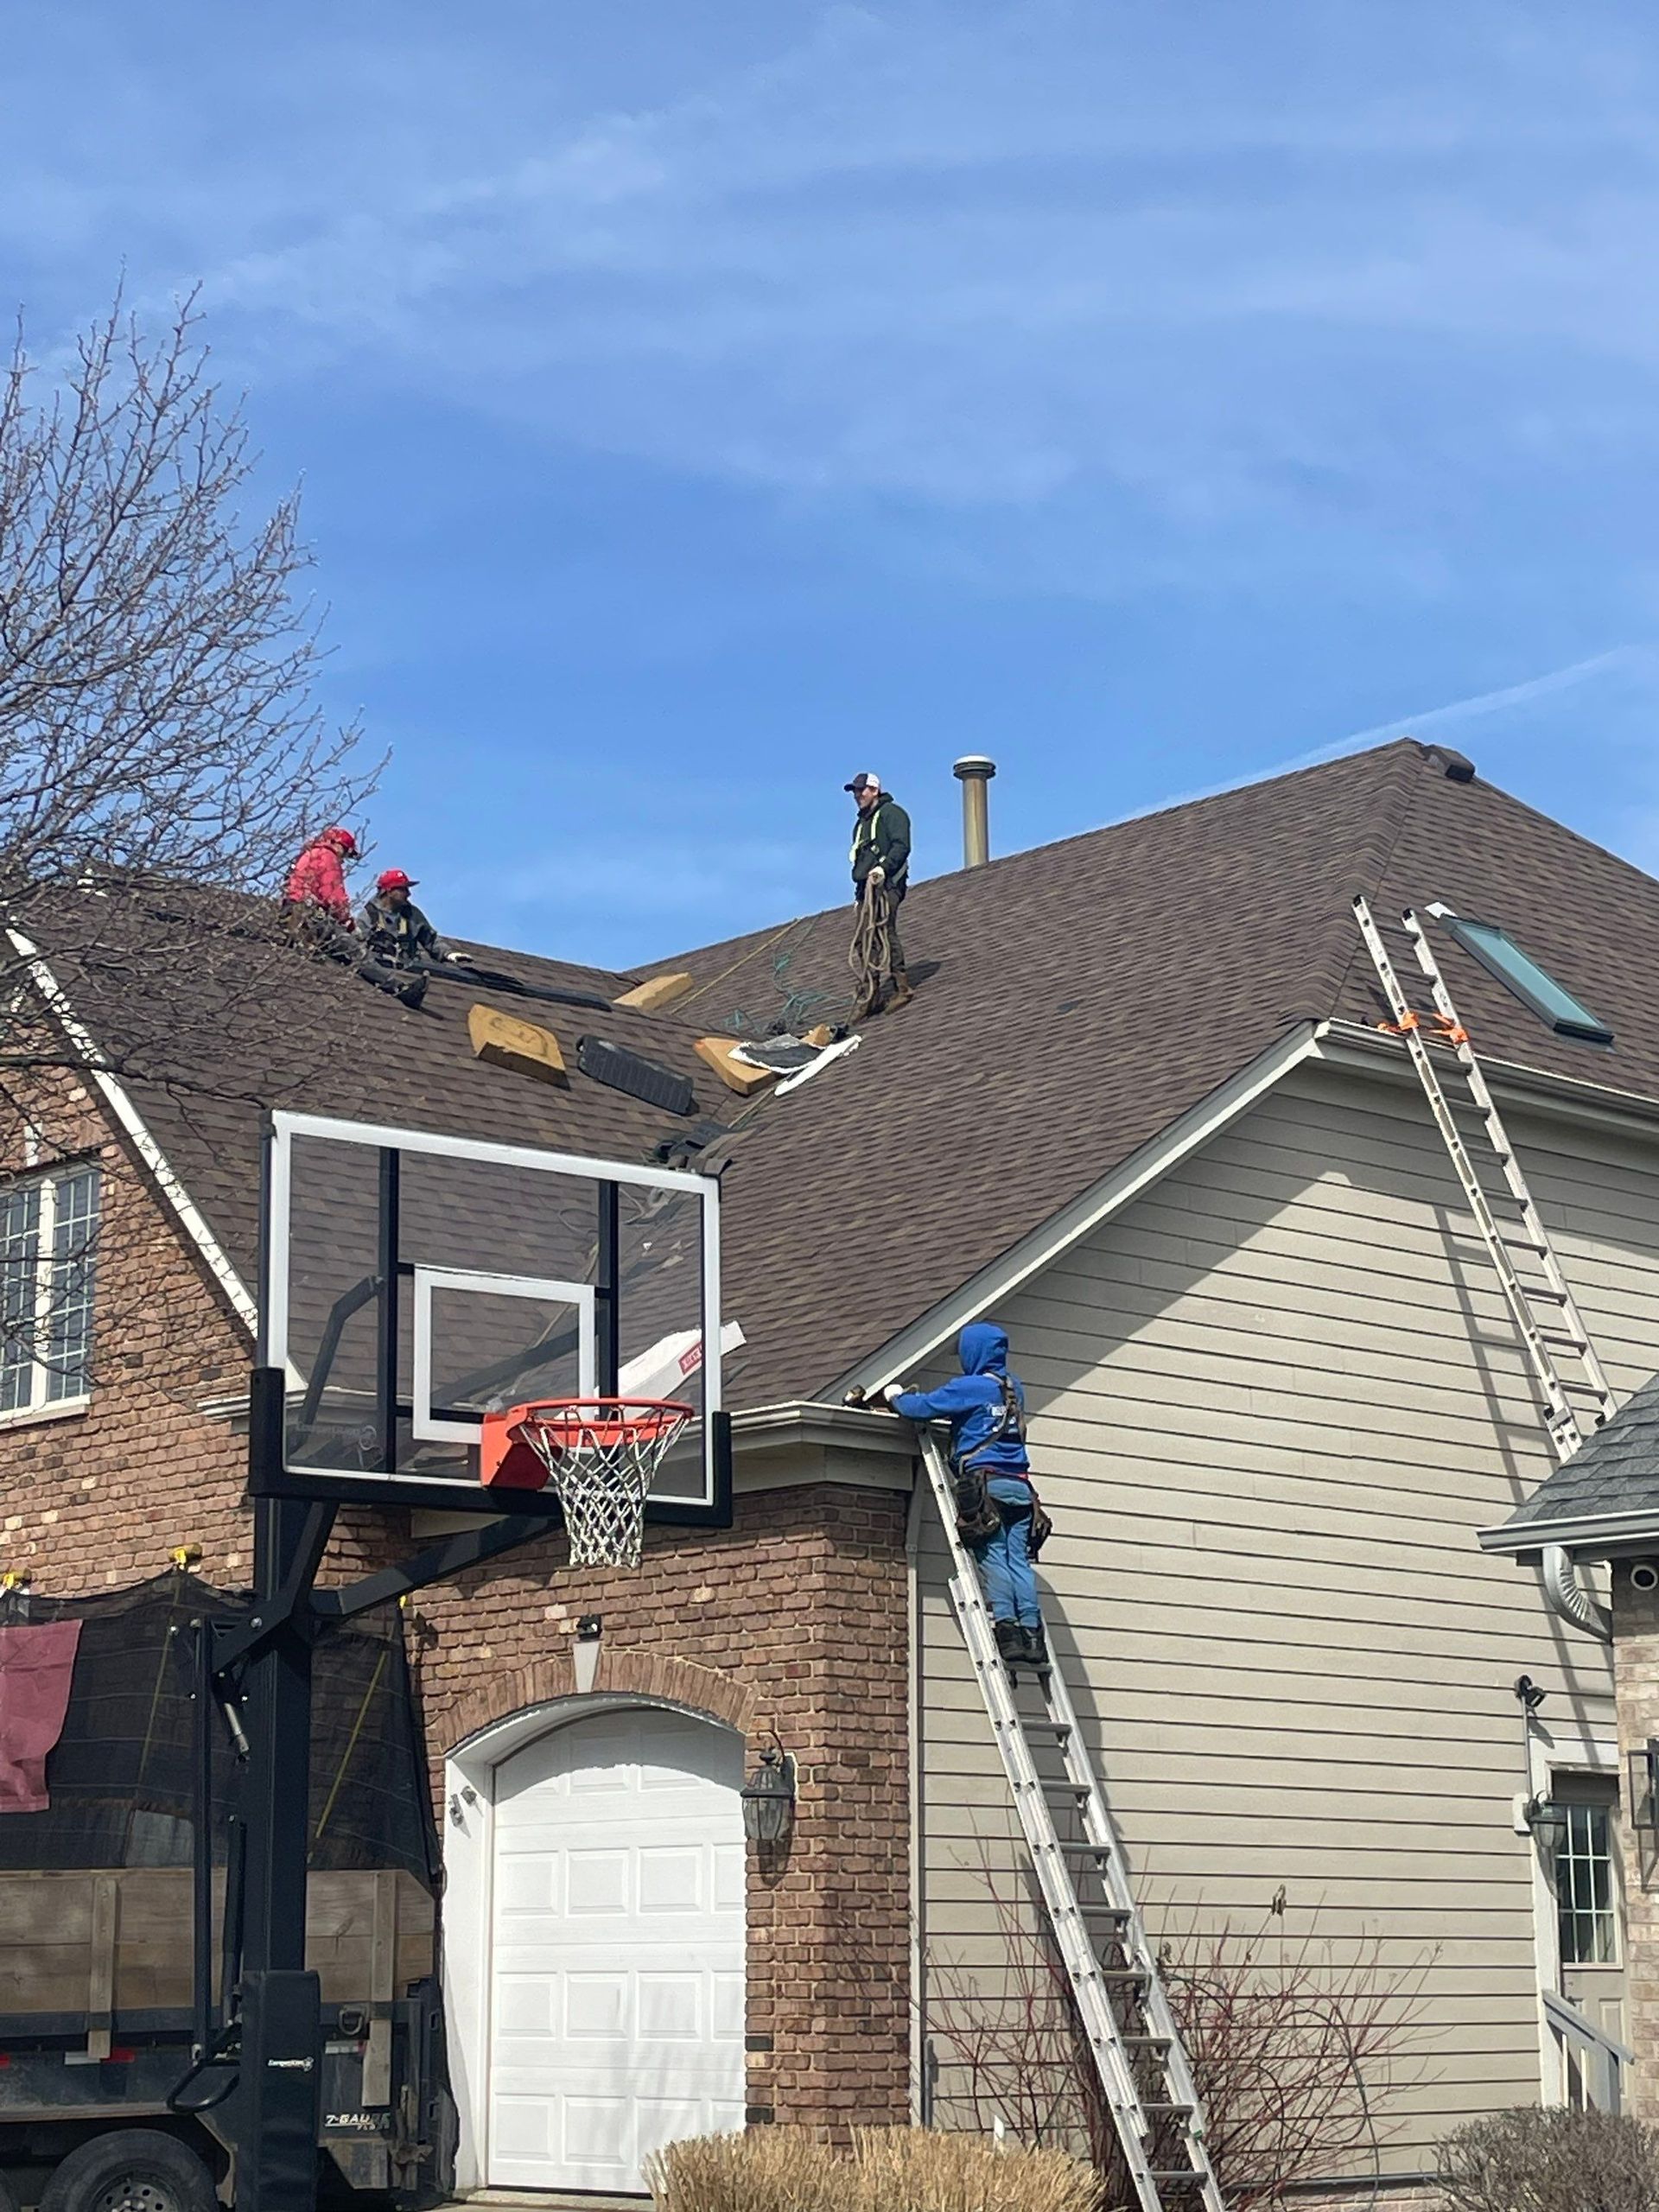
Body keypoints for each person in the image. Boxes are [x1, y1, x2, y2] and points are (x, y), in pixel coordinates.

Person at [888, 1322, 1047, 1669]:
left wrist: (895, 1396)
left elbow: (922, 1407)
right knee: (1017, 1560)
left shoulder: (971, 1387)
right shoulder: (1012, 1387)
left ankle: (1008, 1631)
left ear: (975, 1352)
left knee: (993, 1558)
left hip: (985, 1488)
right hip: (1021, 1489)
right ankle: (1032, 1636)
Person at [845, 772, 912, 1018]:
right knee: (864, 940)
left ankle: (901, 987)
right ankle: (871, 995)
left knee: (884, 931)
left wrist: (883, 869)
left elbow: (901, 846)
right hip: (867, 890)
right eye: (855, 791)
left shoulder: (892, 814)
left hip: (888, 885)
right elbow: (861, 863)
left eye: (861, 790)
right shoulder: (861, 825)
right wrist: (859, 895)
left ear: (874, 790)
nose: (857, 795)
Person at [358, 869, 455, 972]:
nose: (408, 894)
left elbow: (431, 940)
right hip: (379, 973)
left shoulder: (412, 914)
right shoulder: (368, 916)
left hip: (410, 972)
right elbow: (357, 947)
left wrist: (448, 954)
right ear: (389, 891)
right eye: (403, 889)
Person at [283, 825, 359, 925]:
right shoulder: (329, 857)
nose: (343, 858)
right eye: (345, 852)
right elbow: (332, 893)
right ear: (339, 845)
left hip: (290, 904)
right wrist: (346, 918)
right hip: (307, 910)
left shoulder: (310, 852)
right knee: (336, 937)